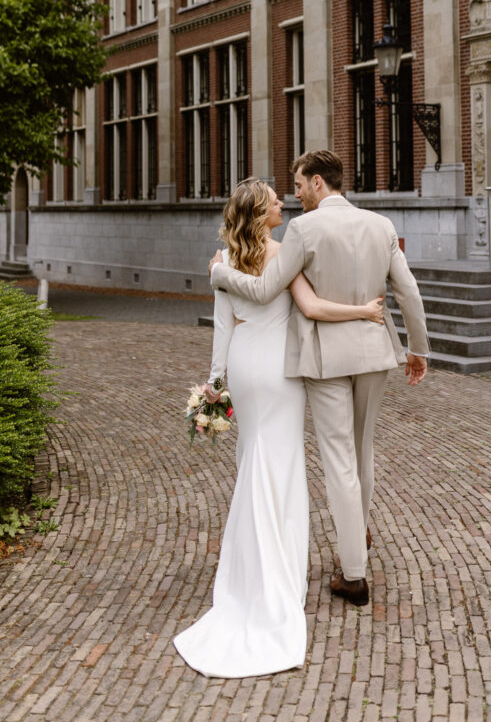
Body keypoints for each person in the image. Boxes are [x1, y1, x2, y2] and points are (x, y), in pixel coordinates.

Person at [173, 177, 386, 679]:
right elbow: (311, 308)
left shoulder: (223, 260)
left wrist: (214, 382)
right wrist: (364, 310)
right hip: (279, 368)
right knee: (281, 464)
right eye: (272, 198)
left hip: (245, 367)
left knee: (255, 459)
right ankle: (277, 572)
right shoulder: (283, 252)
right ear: (258, 212)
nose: (280, 202)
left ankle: (251, 568)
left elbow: (224, 327)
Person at [209, 150, 430, 608]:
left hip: (326, 359)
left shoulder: (303, 230)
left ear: (316, 183)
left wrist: (220, 275)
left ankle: (354, 574)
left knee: (339, 460)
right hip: (374, 351)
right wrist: (418, 350)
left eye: (298, 183)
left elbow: (266, 289)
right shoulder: (380, 225)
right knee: (362, 449)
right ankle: (357, 535)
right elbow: (408, 290)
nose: (293, 194)